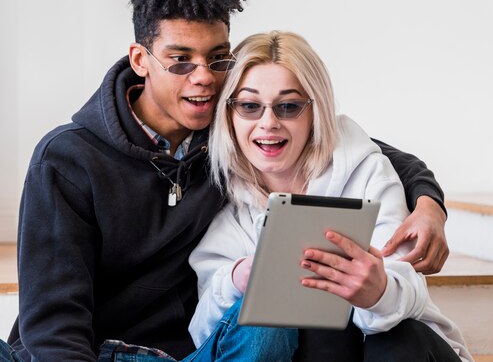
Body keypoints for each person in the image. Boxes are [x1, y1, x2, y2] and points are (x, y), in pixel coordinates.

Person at [3, 0, 449, 361]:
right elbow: (54, 320)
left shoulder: (233, 123)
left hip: (194, 353)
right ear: (140, 59)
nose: (203, 79)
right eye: (180, 61)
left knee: (270, 320)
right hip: (95, 353)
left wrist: (428, 200)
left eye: (217, 60)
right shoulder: (67, 159)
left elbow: (342, 141)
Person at [188, 30, 473, 362]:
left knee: (394, 337)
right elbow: (204, 335)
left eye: (289, 106)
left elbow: (408, 286)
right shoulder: (224, 207)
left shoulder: (366, 172)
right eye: (250, 106)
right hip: (315, 350)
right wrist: (237, 279)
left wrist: (378, 291)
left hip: (398, 348)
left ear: (315, 111)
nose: (269, 122)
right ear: (229, 115)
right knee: (307, 323)